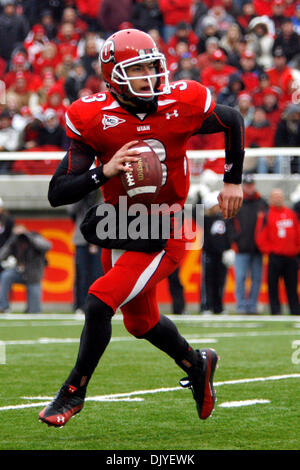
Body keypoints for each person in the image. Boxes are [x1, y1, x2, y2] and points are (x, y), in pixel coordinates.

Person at [38, 28, 244, 428]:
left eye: (154, 66)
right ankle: (197, 362)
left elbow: (232, 118)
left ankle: (73, 392)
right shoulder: (92, 116)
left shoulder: (180, 101)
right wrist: (103, 171)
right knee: (140, 322)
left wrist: (231, 179)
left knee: (98, 301)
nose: (152, 77)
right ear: (114, 76)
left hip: (169, 224)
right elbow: (57, 192)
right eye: (139, 69)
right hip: (125, 224)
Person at [255, 188, 300, 315]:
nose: (278, 199)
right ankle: (275, 311)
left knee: (292, 286)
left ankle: (295, 311)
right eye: (275, 197)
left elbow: (297, 232)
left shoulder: (291, 213)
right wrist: (269, 250)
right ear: (271, 199)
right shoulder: (266, 214)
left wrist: (296, 249)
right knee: (273, 286)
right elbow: (260, 236)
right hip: (275, 257)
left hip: (291, 256)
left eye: (280, 196)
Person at [228, 174, 268, 315]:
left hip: (258, 249)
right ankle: (241, 306)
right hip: (242, 248)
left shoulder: (262, 203)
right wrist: (234, 239)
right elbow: (229, 221)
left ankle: (252, 306)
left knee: (257, 279)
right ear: (243, 186)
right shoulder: (237, 201)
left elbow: (267, 225)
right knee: (240, 278)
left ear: (254, 185)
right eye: (247, 185)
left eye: (251, 184)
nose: (249, 187)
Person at [0, 224, 51, 313]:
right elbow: (2, 255)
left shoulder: (35, 237)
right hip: (19, 272)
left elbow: (47, 246)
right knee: (6, 276)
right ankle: (4, 306)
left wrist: (29, 238)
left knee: (34, 311)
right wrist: (11, 240)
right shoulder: (14, 242)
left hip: (33, 275)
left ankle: (30, 309)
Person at [67, 192, 104, 314]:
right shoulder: (80, 194)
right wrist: (81, 196)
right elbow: (71, 210)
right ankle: (80, 305)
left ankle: (96, 303)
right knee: (81, 273)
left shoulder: (102, 197)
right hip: (81, 239)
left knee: (97, 274)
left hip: (99, 239)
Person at [201, 191, 232, 315]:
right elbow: (192, 212)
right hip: (209, 254)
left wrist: (229, 249)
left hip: (221, 254)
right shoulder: (205, 219)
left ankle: (218, 307)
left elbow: (229, 234)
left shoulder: (224, 219)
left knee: (220, 282)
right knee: (208, 281)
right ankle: (206, 306)